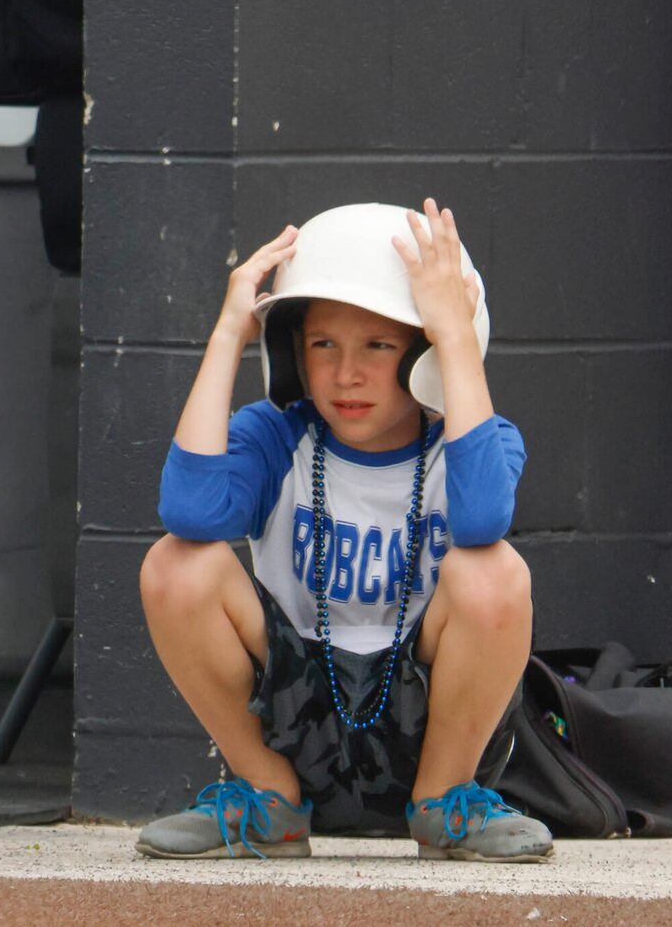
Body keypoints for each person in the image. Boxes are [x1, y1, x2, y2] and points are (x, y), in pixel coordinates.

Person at [136, 201, 548, 863]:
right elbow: (189, 511)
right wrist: (224, 335)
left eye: (378, 346)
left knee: (493, 569)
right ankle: (267, 802)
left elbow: (480, 522)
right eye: (322, 344)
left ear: (428, 354)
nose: (344, 374)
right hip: (290, 716)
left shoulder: (478, 443)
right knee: (173, 563)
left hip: (424, 724)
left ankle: (444, 806)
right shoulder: (279, 433)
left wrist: (455, 340)